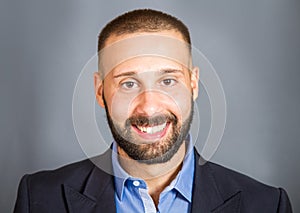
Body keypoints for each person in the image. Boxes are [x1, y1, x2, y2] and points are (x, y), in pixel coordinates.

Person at [14, 9, 292, 213]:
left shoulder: (268, 204)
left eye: (168, 81)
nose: (149, 107)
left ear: (193, 84)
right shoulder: (39, 198)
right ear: (100, 91)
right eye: (128, 83)